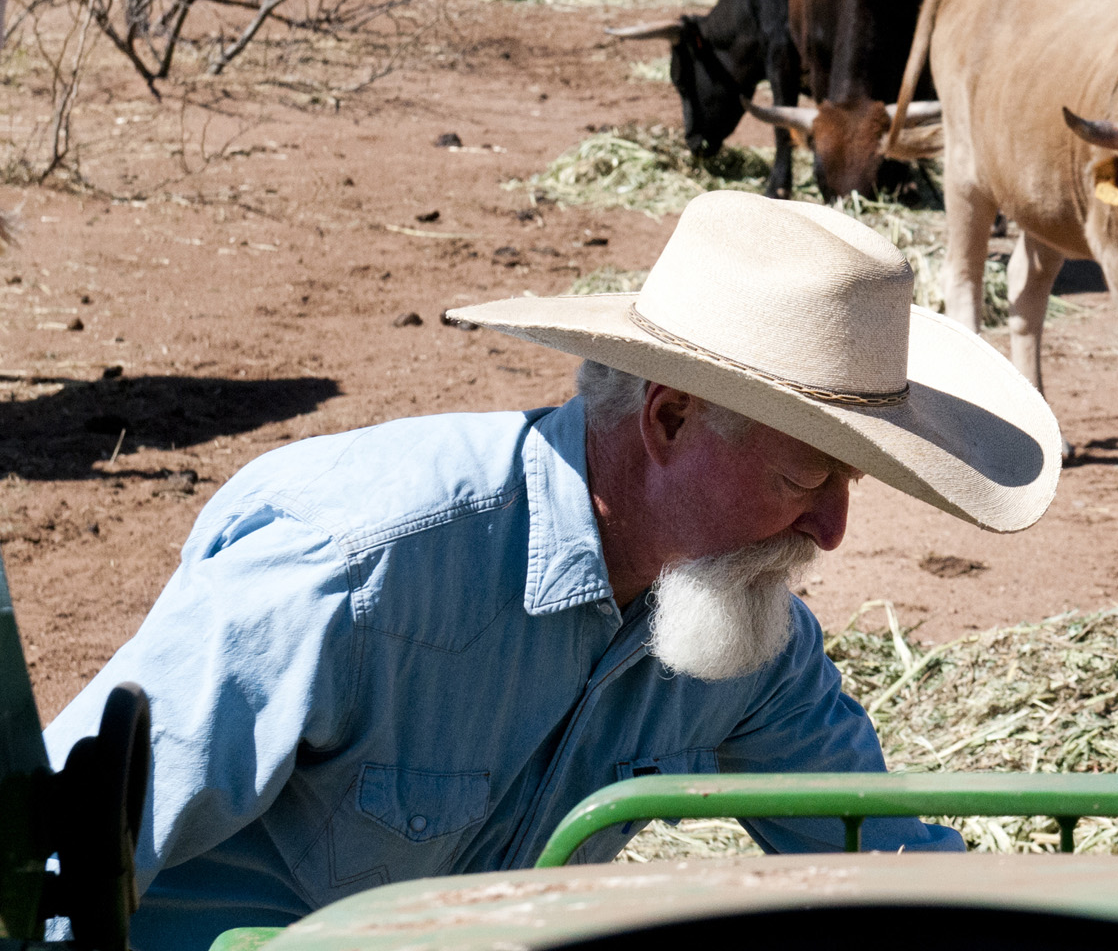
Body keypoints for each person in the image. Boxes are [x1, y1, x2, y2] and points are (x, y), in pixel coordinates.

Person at [44, 191, 1061, 951]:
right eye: (804, 475)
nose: (831, 528)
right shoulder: (358, 563)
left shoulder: (746, 638)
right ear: (667, 417)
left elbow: (879, 861)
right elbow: (51, 848)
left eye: (846, 482)